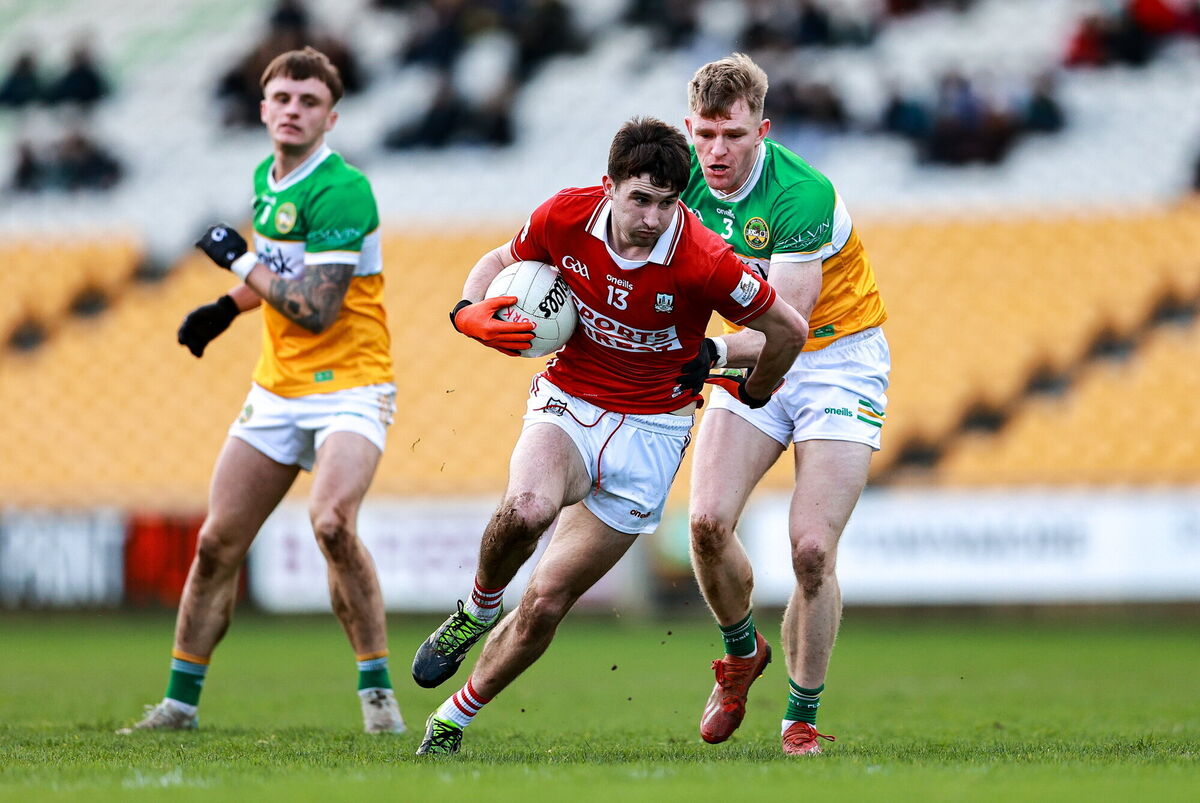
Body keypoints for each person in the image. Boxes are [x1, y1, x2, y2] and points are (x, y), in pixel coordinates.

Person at [410, 116, 808, 755]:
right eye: (640, 199)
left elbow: (787, 330)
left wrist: (744, 377)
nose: (653, 217)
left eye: (667, 203)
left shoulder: (704, 258)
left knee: (545, 601)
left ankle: (451, 720)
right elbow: (500, 261)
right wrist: (467, 313)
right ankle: (477, 610)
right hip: (569, 401)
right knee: (526, 509)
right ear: (610, 186)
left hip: (651, 436)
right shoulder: (564, 217)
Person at [118, 47, 404, 736]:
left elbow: (317, 306)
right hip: (277, 389)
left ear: (331, 116)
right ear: (263, 108)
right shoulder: (267, 178)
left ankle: (377, 696)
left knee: (331, 522)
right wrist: (226, 304)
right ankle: (179, 703)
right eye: (283, 99)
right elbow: (279, 272)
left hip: (352, 385)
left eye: (309, 102)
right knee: (217, 541)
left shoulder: (342, 190)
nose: (293, 111)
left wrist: (236, 257)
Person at [679, 53, 889, 756]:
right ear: (690, 128)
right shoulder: (674, 182)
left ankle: (800, 715)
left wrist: (705, 357)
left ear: (761, 130)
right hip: (748, 345)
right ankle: (741, 653)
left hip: (834, 358)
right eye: (706, 134)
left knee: (809, 549)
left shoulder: (802, 194)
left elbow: (785, 331)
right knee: (706, 522)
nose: (717, 151)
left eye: (733, 136)